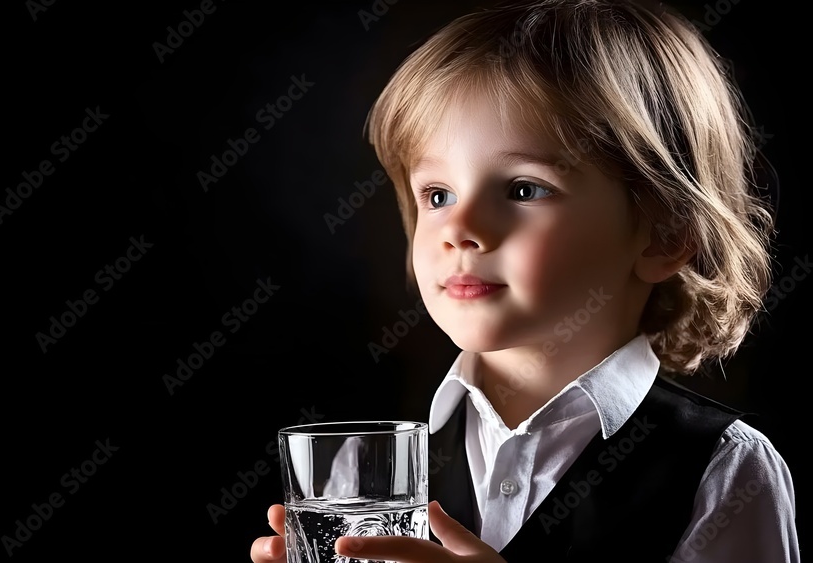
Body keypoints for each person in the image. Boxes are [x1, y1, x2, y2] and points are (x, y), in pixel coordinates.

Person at [250, 0, 798, 561]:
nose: (458, 229)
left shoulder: (724, 469)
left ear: (664, 236)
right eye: (438, 196)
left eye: (523, 189)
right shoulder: (366, 471)